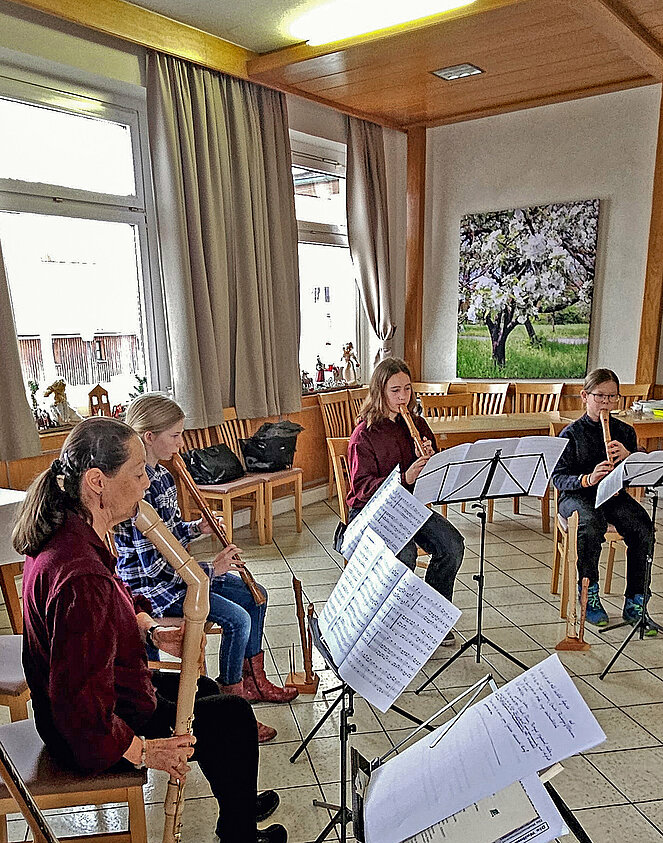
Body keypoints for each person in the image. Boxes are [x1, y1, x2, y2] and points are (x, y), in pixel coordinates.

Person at [12, 417, 287, 843]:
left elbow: (113, 606)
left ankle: (237, 809)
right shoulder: (81, 575)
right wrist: (144, 750)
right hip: (85, 733)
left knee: (205, 688)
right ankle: (239, 832)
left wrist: (150, 631)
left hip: (100, 699)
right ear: (97, 482)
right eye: (138, 473)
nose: (146, 483)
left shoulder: (71, 530)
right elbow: (78, 706)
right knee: (231, 716)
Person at [114, 393, 297, 745]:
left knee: (256, 596)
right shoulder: (135, 491)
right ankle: (233, 702)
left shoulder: (162, 477)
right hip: (157, 591)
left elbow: (171, 535)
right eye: (175, 435)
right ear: (149, 437)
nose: (181, 444)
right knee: (238, 619)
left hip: (183, 577)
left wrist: (198, 527)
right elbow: (155, 569)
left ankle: (253, 682)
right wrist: (212, 568)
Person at [346, 358, 464, 641]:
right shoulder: (364, 434)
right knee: (404, 555)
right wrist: (404, 477)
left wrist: (431, 458)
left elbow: (434, 473)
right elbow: (361, 488)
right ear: (380, 392)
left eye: (407, 389)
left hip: (410, 505)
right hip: (372, 511)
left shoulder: (417, 423)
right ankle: (392, 626)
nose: (403, 397)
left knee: (452, 545)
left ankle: (431, 619)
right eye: (395, 390)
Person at [552, 367, 658, 634]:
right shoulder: (571, 434)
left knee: (643, 527)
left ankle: (636, 600)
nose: (606, 403)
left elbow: (634, 476)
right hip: (577, 496)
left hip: (612, 495)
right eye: (600, 396)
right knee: (590, 525)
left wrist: (629, 458)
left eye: (612, 397)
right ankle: (589, 592)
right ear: (584, 396)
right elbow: (558, 478)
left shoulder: (625, 432)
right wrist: (587, 478)